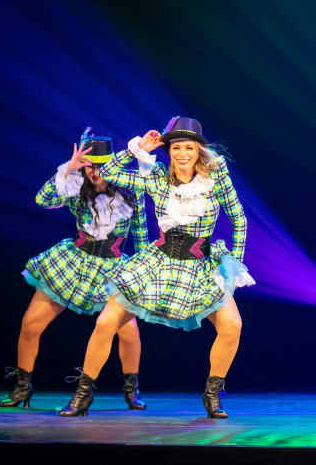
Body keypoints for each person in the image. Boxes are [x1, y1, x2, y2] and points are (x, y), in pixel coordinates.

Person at [59, 117, 252, 418]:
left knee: (232, 326)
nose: (183, 153)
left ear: (199, 151)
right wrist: (138, 148)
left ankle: (212, 395)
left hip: (200, 266)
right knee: (106, 322)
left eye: (190, 147)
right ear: (169, 149)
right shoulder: (156, 178)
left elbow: (239, 219)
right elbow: (109, 172)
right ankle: (82, 395)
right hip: (158, 262)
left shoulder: (217, 178)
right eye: (176, 147)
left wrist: (234, 268)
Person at [0, 132, 148, 410]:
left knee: (129, 334)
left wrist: (142, 275)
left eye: (101, 166)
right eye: (90, 165)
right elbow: (42, 200)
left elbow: (141, 239)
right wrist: (69, 168)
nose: (95, 172)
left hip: (112, 269)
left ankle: (131, 390)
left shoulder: (132, 195)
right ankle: (22, 388)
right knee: (30, 324)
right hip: (74, 263)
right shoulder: (76, 187)